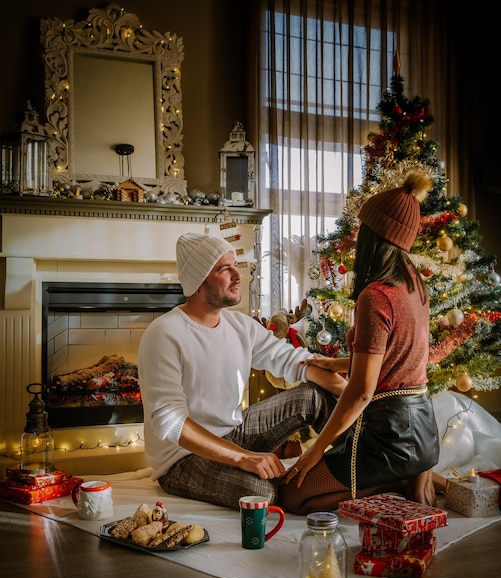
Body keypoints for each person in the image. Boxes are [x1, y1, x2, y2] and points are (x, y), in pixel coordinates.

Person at [138, 232, 347, 510]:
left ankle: (367, 469)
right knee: (261, 494)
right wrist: (243, 458)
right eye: (225, 269)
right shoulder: (164, 333)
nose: (238, 275)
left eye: (235, 265)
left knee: (313, 396)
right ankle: (318, 486)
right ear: (199, 280)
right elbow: (171, 422)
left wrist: (353, 394)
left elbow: (291, 361)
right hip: (182, 458)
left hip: (234, 432)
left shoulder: (240, 325)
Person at [280, 170, 440, 514]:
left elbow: (363, 391)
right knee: (308, 487)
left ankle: (394, 480)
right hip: (423, 429)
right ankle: (405, 474)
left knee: (292, 495)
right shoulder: (413, 283)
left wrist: (316, 450)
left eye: (361, 230)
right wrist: (335, 364)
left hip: (389, 437)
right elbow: (396, 356)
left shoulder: (377, 295)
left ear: (373, 235)